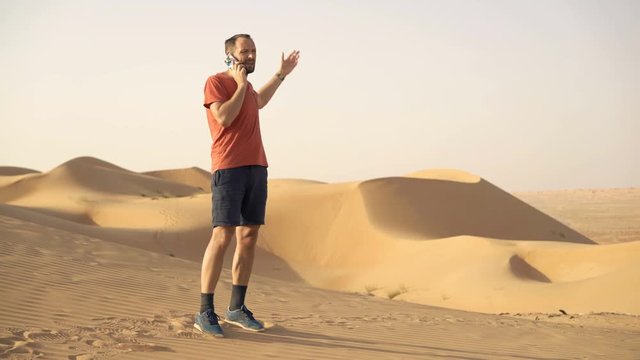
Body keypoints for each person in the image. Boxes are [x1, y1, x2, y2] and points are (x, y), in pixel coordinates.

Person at [195, 34, 300, 338]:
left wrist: (280, 74)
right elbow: (225, 117)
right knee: (222, 234)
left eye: (254, 51)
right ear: (230, 55)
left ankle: (236, 309)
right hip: (228, 167)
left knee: (249, 236)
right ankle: (204, 311)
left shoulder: (249, 88)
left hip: (256, 167)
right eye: (245, 52)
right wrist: (240, 85)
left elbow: (260, 101)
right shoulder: (216, 82)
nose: (251, 56)